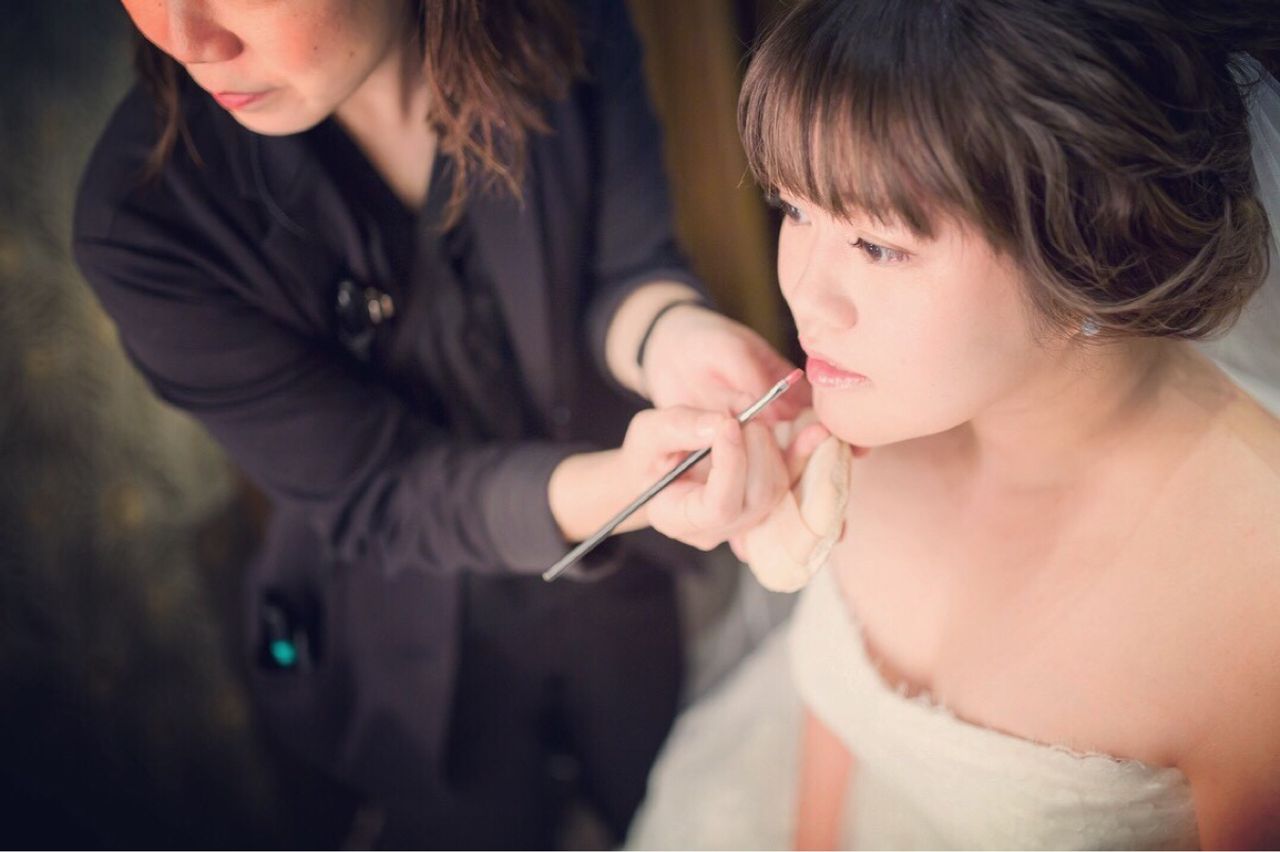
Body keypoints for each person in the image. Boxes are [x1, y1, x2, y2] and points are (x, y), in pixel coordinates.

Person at [72, 0, 808, 846]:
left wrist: (676, 339)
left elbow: (627, 267)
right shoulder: (144, 220)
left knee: (656, 802)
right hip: (407, 645)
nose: (189, 42)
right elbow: (381, 487)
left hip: (620, 589)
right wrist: (625, 486)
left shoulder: (564, 16)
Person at [627, 0, 1280, 848]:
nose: (806, 297)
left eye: (879, 246)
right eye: (794, 208)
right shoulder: (873, 420)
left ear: (1092, 242)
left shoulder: (1254, 603)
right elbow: (837, 722)